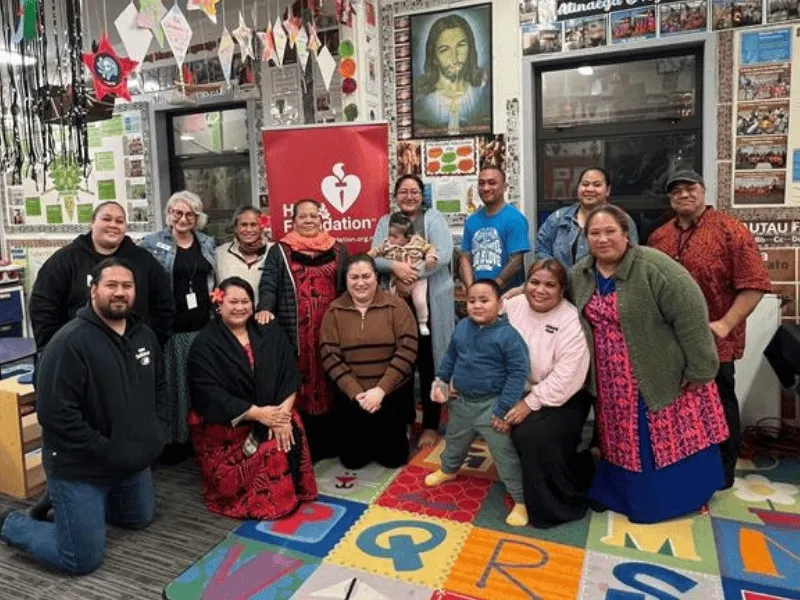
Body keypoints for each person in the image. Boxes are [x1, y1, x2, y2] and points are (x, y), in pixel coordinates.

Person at [0, 258, 167, 575]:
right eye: (111, 285)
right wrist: (108, 451)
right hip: (80, 466)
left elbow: (159, 387)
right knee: (79, 558)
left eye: (127, 286)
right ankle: (12, 522)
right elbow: (56, 417)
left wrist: (156, 431)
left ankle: (70, 510)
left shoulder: (144, 335)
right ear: (93, 291)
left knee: (139, 518)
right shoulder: (68, 343)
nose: (120, 292)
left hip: (127, 461)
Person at [569, 205, 729, 523]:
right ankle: (617, 494)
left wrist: (701, 368)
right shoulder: (581, 273)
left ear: (626, 234)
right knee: (618, 440)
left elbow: (691, 315)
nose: (602, 239)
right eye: (595, 233)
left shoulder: (654, 267)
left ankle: (666, 500)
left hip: (658, 369)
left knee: (662, 439)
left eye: (610, 231)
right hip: (611, 378)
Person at [648, 170, 772, 489]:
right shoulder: (658, 237)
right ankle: (684, 467)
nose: (684, 195)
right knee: (678, 407)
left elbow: (755, 284)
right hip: (670, 342)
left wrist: (725, 324)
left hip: (715, 340)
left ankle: (722, 473)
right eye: (676, 191)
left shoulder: (731, 231)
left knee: (718, 403)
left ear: (703, 190)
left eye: (690, 188)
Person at [187, 277, 317, 520]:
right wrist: (258, 414)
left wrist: (281, 416)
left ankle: (293, 489)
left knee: (292, 427)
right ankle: (266, 500)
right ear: (219, 304)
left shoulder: (269, 330)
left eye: (245, 301)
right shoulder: (205, 343)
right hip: (233, 424)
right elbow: (208, 393)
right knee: (271, 448)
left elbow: (289, 372)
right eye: (232, 302)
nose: (239, 307)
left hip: (276, 412)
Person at [426, 279, 530, 527]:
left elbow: (518, 372)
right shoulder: (462, 327)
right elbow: (451, 356)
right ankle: (449, 469)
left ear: (499, 303)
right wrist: (440, 380)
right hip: (461, 402)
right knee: (453, 441)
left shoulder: (508, 335)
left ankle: (520, 499)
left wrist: (503, 408)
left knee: (503, 454)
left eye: (485, 300)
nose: (477, 306)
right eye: (472, 301)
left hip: (492, 406)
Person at [502, 259, 594, 528]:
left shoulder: (570, 319)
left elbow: (567, 376)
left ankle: (558, 505)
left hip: (563, 396)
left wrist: (529, 404)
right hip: (515, 389)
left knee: (533, 436)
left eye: (550, 285)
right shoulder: (511, 307)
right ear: (525, 283)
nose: (540, 290)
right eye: (534, 282)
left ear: (562, 289)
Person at [255, 199, 347, 462]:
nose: (308, 220)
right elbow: (269, 284)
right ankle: (306, 447)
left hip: (330, 331)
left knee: (332, 380)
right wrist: (264, 308)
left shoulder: (338, 249)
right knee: (301, 384)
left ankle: (333, 443)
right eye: (302, 216)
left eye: (313, 216)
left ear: (321, 219)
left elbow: (344, 286)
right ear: (293, 221)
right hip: (296, 333)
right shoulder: (280, 251)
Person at [371, 175, 454, 449]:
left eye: (414, 191)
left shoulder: (435, 219)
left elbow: (443, 255)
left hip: (430, 305)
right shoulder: (386, 222)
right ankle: (403, 421)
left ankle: (431, 424)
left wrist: (411, 273)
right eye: (403, 191)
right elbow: (376, 256)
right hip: (395, 305)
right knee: (398, 364)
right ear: (395, 195)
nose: (409, 196)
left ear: (422, 195)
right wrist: (396, 269)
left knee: (429, 363)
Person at [30, 201, 175, 349]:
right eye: (106, 219)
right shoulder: (64, 261)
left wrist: (150, 343)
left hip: (134, 353)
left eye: (119, 221)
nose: (113, 225)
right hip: (80, 355)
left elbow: (164, 305)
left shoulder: (144, 261)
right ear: (92, 223)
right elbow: (43, 308)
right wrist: (60, 349)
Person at [319, 254, 418, 469]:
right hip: (354, 398)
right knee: (352, 462)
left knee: (394, 460)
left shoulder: (397, 307)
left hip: (389, 396)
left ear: (376, 277)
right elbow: (330, 356)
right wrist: (356, 393)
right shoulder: (334, 310)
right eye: (354, 277)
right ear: (346, 280)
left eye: (366, 276)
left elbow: (407, 350)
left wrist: (381, 390)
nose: (360, 282)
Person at [141, 191, 217, 463]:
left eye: (190, 214)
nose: (183, 219)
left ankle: (197, 439)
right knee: (172, 387)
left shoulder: (207, 243)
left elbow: (212, 280)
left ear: (198, 218)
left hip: (201, 327)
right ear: (169, 214)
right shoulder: (152, 244)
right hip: (171, 329)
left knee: (197, 385)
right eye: (178, 213)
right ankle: (172, 442)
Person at [535, 167, 639, 268]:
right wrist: (556, 275)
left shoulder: (622, 220)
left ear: (607, 190)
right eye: (585, 184)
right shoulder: (558, 218)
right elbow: (541, 250)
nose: (589, 189)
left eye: (597, 185)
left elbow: (631, 257)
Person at [413, 13, 491, 136]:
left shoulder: (483, 89)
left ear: (470, 48)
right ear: (433, 57)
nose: (454, 58)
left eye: (461, 46)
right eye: (444, 50)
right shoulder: (421, 100)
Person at [460, 166, 530, 294]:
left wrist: (493, 288)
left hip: (507, 296)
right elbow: (465, 257)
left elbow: (516, 260)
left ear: (504, 187)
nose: (486, 188)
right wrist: (472, 289)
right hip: (479, 295)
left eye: (492, 183)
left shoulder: (515, 218)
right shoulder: (471, 220)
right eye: (481, 183)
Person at [369, 213, 438, 335]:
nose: (391, 239)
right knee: (392, 301)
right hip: (395, 277)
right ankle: (394, 323)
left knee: (420, 301)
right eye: (390, 235)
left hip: (418, 279)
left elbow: (429, 248)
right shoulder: (387, 244)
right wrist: (367, 257)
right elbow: (375, 252)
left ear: (408, 237)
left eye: (395, 237)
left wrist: (430, 257)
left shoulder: (417, 241)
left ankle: (422, 322)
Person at [215, 207, 271, 305]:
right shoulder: (220, 254)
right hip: (231, 317)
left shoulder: (274, 252)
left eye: (254, 225)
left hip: (265, 317)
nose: (248, 230)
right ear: (235, 228)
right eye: (243, 225)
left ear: (261, 226)